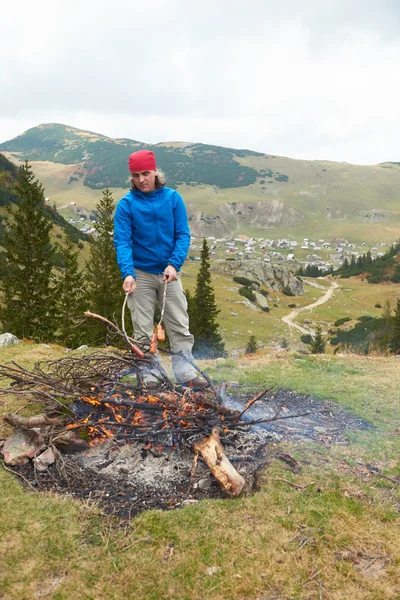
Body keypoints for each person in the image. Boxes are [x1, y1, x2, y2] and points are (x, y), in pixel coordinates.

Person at [113, 149, 208, 389]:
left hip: (169, 273)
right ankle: (151, 374)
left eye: (146, 173)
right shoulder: (126, 205)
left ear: (155, 172)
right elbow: (123, 242)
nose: (141, 179)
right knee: (143, 330)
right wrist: (128, 273)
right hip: (140, 273)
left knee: (178, 324)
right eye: (136, 175)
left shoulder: (173, 199)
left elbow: (182, 235)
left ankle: (185, 372)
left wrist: (174, 264)